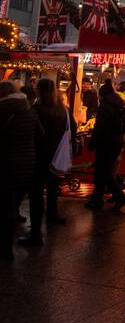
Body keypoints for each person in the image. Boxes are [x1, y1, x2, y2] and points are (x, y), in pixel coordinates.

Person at [21, 78, 68, 245]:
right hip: (56, 155)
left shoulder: (37, 109)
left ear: (39, 91)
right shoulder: (62, 109)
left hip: (39, 155)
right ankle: (52, 214)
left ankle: (35, 233)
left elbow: (32, 132)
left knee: (36, 194)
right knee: (52, 186)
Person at [0, 80, 40, 261]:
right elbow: (40, 134)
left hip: (6, 163)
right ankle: (6, 247)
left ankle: (5, 248)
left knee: (5, 205)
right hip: (26, 164)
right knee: (10, 203)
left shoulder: (3, 111)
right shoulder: (29, 111)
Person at [85, 81, 125, 210]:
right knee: (105, 171)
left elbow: (99, 127)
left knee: (103, 172)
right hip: (118, 141)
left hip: (105, 142)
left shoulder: (105, 106)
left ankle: (117, 196)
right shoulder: (120, 104)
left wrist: (92, 143)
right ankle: (97, 199)